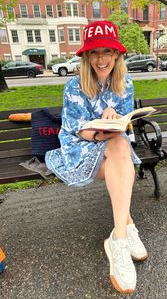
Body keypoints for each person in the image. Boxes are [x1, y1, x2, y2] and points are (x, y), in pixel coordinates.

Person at [45, 20, 148, 294]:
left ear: (116, 54)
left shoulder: (125, 82)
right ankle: (125, 232)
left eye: (107, 52)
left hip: (112, 145)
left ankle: (119, 240)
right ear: (86, 56)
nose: (101, 59)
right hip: (80, 146)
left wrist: (114, 120)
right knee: (120, 155)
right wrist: (102, 129)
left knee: (119, 150)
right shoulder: (73, 86)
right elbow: (75, 129)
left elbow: (124, 122)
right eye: (94, 52)